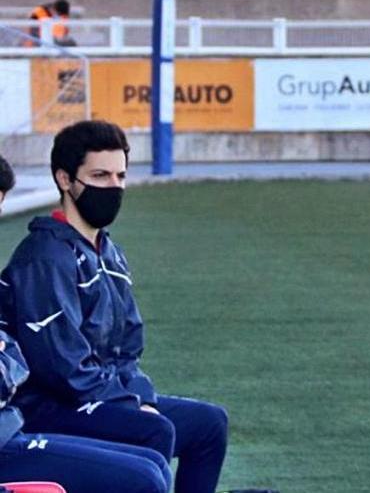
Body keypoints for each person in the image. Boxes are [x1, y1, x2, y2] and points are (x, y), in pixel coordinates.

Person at [0, 120, 228, 493]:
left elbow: (127, 348)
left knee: (209, 424)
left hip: (96, 395)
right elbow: (62, 366)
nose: (114, 186)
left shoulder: (109, 253)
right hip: (50, 405)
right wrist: (128, 404)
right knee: (151, 433)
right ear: (65, 179)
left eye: (120, 175)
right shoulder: (44, 258)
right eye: (100, 175)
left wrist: (140, 396)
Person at [0, 330, 171, 492]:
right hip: (22, 425)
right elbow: (59, 367)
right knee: (144, 477)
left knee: (155, 463)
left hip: (11, 429)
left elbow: (13, 359)